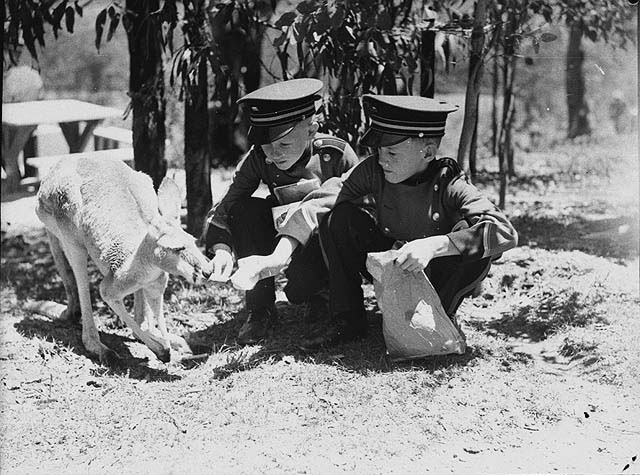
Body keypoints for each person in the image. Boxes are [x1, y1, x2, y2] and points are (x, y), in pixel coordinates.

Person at [271, 94, 519, 348]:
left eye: (392, 152)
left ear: (428, 152)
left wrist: (435, 246)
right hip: (392, 261)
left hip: (437, 272)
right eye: (379, 150)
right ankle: (348, 320)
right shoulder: (373, 171)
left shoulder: (449, 183)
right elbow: (325, 198)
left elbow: (503, 231)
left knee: (470, 235)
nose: (382, 159)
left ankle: (442, 314)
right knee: (340, 217)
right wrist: (278, 256)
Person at [204, 78, 359, 344]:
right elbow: (229, 202)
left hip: (324, 246)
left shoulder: (334, 154)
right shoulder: (258, 158)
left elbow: (359, 210)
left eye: (284, 145)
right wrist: (221, 248)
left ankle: (325, 299)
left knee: (302, 283)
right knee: (245, 210)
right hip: (282, 239)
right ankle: (260, 310)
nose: (274, 154)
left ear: (311, 130)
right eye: (267, 145)